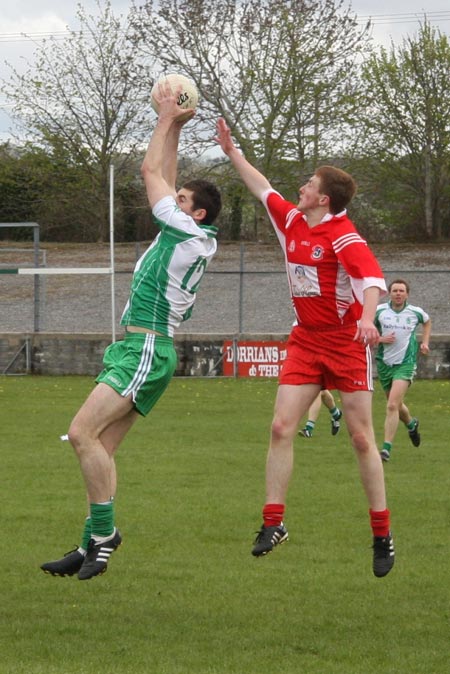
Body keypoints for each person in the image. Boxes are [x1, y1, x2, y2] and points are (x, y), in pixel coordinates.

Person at [41, 81, 222, 580]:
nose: (173, 197)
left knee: (81, 433)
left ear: (196, 213)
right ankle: (86, 545)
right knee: (99, 449)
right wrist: (177, 131)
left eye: (182, 198)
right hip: (142, 349)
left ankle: (104, 536)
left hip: (145, 349)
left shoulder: (189, 232)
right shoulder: (187, 230)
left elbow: (148, 172)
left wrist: (165, 115)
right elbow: (165, 174)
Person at [215, 118, 394, 577]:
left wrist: (369, 318)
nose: (302, 187)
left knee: (360, 438)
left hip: (347, 343)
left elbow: (371, 280)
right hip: (306, 341)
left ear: (324, 198)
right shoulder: (292, 219)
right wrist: (232, 152)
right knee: (279, 427)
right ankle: (273, 522)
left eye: (310, 184)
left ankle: (381, 533)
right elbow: (262, 188)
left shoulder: (343, 235)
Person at [375, 279, 431, 462]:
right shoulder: (379, 311)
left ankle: (386, 449)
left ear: (407, 294)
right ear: (389, 293)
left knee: (391, 405)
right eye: (395, 290)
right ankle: (412, 424)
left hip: (405, 364)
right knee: (397, 405)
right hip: (384, 364)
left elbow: (427, 321)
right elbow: (365, 332)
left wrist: (424, 342)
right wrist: (381, 339)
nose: (398, 293)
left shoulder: (415, 312)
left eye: (401, 290)